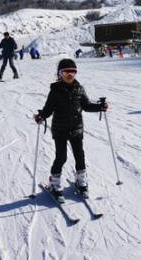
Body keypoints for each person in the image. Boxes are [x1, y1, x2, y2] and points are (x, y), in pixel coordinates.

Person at [33, 58, 108, 199]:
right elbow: (48, 109)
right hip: (60, 130)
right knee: (61, 157)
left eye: (73, 72)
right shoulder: (55, 91)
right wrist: (41, 116)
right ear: (60, 74)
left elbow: (86, 106)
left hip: (76, 128)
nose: (70, 75)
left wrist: (100, 107)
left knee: (80, 156)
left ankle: (81, 180)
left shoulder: (79, 88)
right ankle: (55, 182)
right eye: (66, 72)